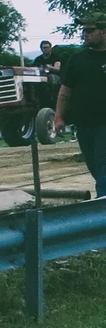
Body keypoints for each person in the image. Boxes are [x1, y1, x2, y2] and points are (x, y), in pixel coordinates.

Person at [54, 11, 106, 197]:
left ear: (104, 31)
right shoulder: (77, 60)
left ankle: (101, 208)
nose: (85, 33)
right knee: (94, 166)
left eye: (90, 30)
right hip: (84, 125)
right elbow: (65, 92)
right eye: (84, 30)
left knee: (103, 166)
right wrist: (59, 116)